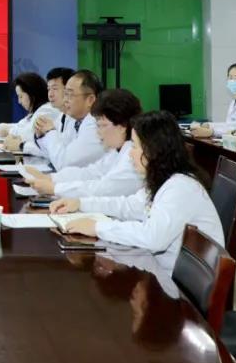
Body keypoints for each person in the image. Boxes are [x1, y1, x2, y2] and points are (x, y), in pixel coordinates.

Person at [52, 111, 224, 260]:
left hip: (176, 281)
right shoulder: (163, 180)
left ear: (153, 150)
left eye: (135, 146)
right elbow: (129, 205)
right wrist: (80, 203)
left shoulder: (180, 187)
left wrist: (97, 227)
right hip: (164, 269)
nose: (130, 154)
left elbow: (152, 237)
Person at [26, 88, 143, 198]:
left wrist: (55, 188)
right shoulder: (117, 151)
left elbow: (103, 189)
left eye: (102, 125)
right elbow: (91, 173)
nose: (98, 132)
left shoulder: (132, 156)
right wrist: (51, 178)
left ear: (122, 126)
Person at [25, 69, 105, 170]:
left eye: (70, 94)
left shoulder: (96, 125)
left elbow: (64, 163)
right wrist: (42, 135)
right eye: (65, 94)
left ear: (90, 100)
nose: (65, 100)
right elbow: (55, 152)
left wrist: (50, 132)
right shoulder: (77, 121)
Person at [0, 72, 49, 147]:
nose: (19, 101)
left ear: (32, 94)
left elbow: (26, 134)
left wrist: (7, 134)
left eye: (21, 96)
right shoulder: (34, 113)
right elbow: (17, 127)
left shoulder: (45, 112)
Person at [190, 62, 236, 137]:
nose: (233, 81)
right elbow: (229, 125)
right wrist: (208, 125)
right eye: (230, 78)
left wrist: (212, 132)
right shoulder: (234, 102)